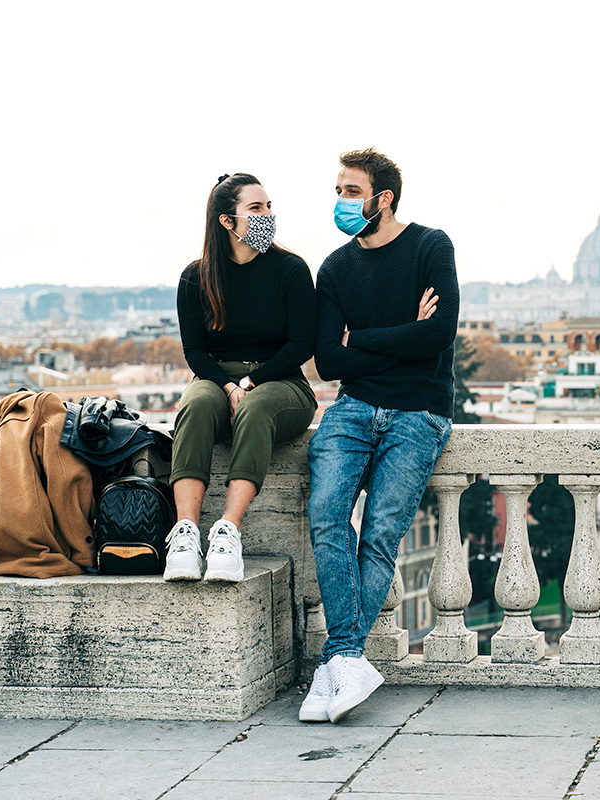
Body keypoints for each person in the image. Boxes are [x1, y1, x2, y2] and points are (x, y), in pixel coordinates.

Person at [301, 148, 458, 723]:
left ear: (382, 198)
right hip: (353, 407)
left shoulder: (430, 246)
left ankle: (337, 660)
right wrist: (402, 335)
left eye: (349, 191)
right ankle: (346, 659)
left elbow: (439, 335)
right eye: (338, 190)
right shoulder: (335, 268)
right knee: (325, 512)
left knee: (382, 534)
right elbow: (326, 360)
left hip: (419, 413)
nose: (340, 201)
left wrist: (362, 341)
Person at [167, 173, 317, 582]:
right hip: (218, 380)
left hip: (282, 382)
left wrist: (252, 383)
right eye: (256, 208)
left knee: (257, 406)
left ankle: (228, 530)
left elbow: (302, 343)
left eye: (269, 206)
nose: (267, 215)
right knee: (195, 405)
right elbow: (196, 351)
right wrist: (229, 385)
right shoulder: (195, 277)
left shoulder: (291, 270)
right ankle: (185, 535)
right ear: (226, 222)